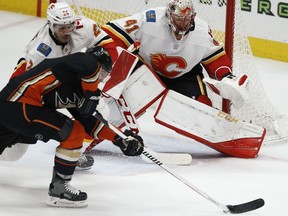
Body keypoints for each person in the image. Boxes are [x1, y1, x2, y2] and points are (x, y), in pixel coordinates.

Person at [86, 0, 255, 157]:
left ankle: (235, 139)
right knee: (123, 103)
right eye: (178, 19)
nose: (183, 24)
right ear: (168, 15)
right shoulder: (150, 19)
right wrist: (112, 59)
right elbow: (111, 33)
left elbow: (215, 56)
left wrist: (226, 76)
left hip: (185, 75)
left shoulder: (202, 31)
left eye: (186, 20)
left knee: (201, 109)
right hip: (145, 69)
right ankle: (87, 132)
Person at [0, 46, 144, 207]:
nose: (101, 80)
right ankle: (59, 189)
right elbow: (88, 63)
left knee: (78, 127)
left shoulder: (74, 86)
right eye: (102, 74)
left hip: (10, 108)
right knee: (73, 132)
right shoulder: (82, 62)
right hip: (22, 104)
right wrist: (92, 93)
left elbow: (89, 122)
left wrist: (119, 140)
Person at [11, 2, 119, 170]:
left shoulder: (84, 26)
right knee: (15, 152)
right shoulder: (41, 51)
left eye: (70, 26)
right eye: (62, 28)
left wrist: (98, 70)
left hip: (67, 79)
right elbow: (22, 84)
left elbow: (109, 46)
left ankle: (74, 154)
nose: (67, 31)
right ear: (51, 25)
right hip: (37, 91)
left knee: (98, 110)